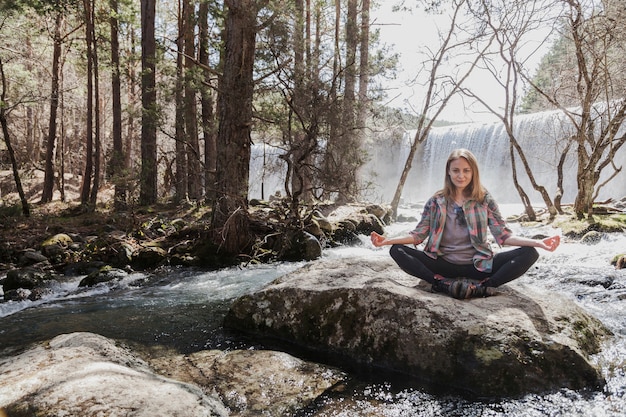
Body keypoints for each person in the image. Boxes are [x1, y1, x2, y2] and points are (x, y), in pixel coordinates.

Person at [371, 148, 560, 299]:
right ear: (448, 172)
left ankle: (484, 287)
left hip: (478, 266)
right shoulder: (436, 201)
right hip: (441, 264)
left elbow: (503, 236)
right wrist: (387, 241)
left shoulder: (484, 199)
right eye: (456, 170)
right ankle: (440, 284)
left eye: (466, 170)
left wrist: (538, 242)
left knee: (530, 253)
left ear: (473, 172)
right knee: (396, 250)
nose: (461, 175)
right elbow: (418, 235)